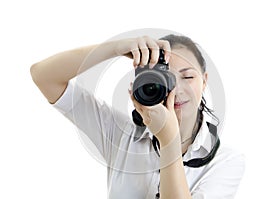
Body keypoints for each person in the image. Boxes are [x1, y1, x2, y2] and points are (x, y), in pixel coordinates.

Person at [30, 33, 245, 199]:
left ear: (205, 81)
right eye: (166, 78)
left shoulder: (226, 161)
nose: (176, 89)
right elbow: (43, 76)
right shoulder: (120, 134)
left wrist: (168, 140)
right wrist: (116, 48)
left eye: (187, 76)